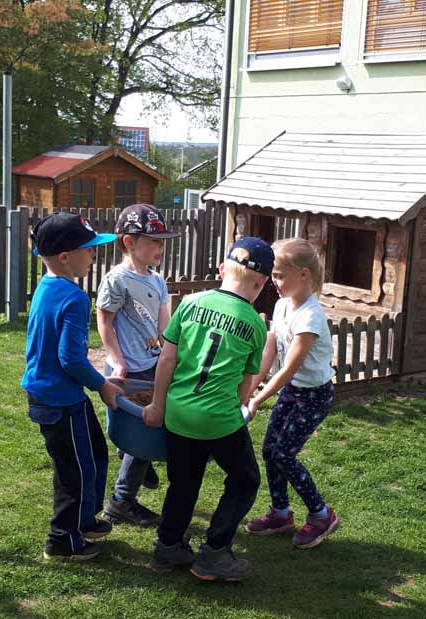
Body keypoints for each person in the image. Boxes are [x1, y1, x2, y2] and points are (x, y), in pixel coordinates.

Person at [142, 237, 272, 582]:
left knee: (183, 484)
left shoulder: (190, 302)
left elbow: (167, 359)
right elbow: (245, 386)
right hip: (218, 418)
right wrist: (242, 407)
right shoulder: (256, 324)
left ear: (221, 270)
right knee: (245, 480)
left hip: (178, 412)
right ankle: (214, 552)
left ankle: (167, 547)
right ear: (262, 283)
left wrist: (157, 403)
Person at [22, 212, 125, 561]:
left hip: (54, 394)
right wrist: (103, 386)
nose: (93, 255)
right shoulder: (74, 298)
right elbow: (70, 358)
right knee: (74, 471)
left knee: (94, 452)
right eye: (89, 249)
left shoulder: (47, 286)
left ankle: (83, 520)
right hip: (59, 398)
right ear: (65, 256)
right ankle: (62, 539)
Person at [244, 238, 340, 548]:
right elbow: (270, 352)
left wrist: (258, 399)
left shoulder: (311, 316)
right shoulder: (282, 305)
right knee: (270, 449)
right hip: (293, 391)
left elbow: (289, 369)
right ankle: (281, 513)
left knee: (284, 454)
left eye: (280, 275)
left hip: (313, 395)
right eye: (273, 275)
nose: (274, 282)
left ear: (303, 274)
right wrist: (249, 386)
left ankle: (322, 514)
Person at [97, 204, 179, 527]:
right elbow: (104, 322)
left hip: (152, 367)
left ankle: (136, 459)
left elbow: (164, 330)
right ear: (129, 242)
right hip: (127, 372)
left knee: (150, 427)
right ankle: (121, 500)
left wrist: (175, 357)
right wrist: (117, 361)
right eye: (154, 240)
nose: (161, 247)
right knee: (144, 432)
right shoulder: (116, 281)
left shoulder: (158, 282)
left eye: (163, 241)